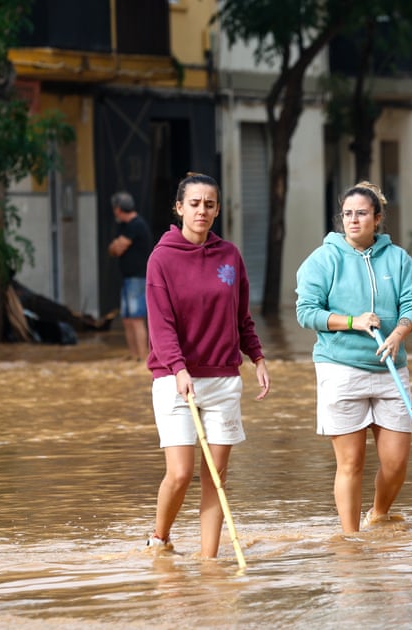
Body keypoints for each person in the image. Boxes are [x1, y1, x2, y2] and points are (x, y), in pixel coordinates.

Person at [144, 172, 271, 556]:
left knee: (216, 477)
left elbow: (241, 315)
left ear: (217, 210)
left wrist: (257, 357)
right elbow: (161, 324)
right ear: (179, 207)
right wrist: (179, 369)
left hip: (222, 380)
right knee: (180, 473)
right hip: (174, 379)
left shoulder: (229, 256)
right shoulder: (161, 258)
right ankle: (160, 538)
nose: (202, 210)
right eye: (195, 203)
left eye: (209, 204)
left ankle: (210, 563)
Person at [295, 181, 412, 533]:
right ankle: (350, 540)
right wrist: (352, 322)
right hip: (340, 367)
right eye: (348, 214)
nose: (353, 220)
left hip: (390, 368)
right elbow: (307, 313)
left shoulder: (398, 259)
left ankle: (379, 514)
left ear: (377, 219)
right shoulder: (323, 260)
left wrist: (399, 334)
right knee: (351, 462)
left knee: (396, 463)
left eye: (362, 214)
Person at [107, 191, 153, 362]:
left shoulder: (136, 225)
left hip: (138, 278)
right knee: (127, 319)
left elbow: (117, 248)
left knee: (136, 318)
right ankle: (134, 355)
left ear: (118, 209)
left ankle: (143, 357)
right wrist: (116, 246)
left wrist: (116, 245)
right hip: (127, 278)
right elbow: (113, 249)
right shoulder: (124, 226)